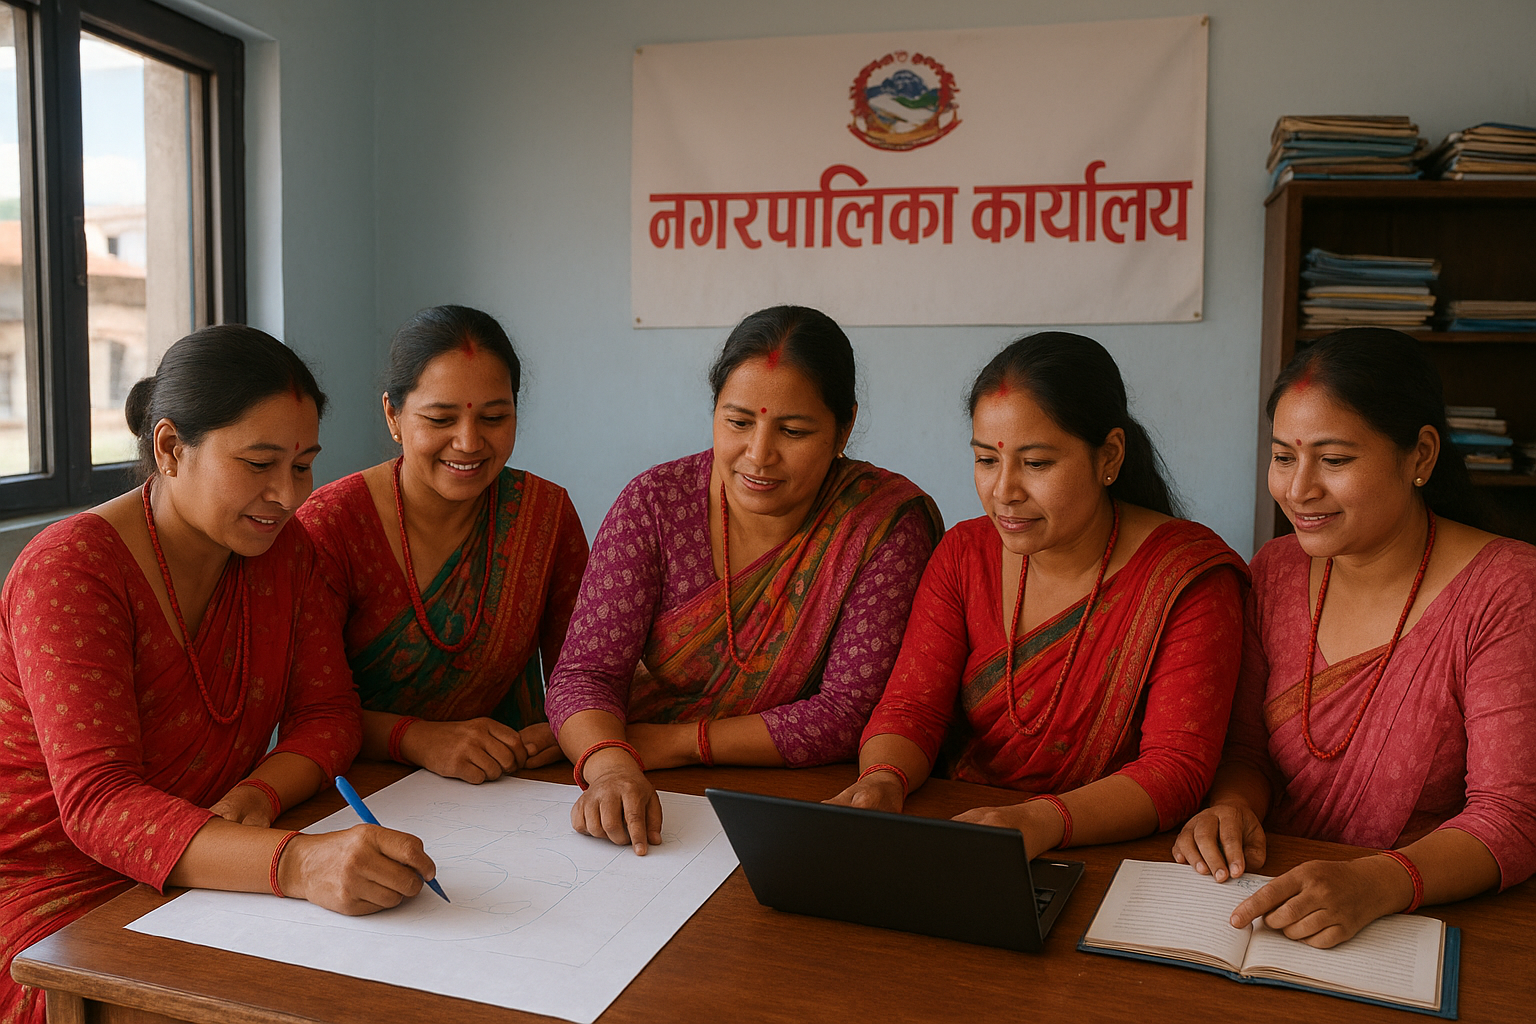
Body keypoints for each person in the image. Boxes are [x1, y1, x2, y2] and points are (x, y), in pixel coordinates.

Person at [0, 326, 439, 1024]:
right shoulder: (72, 571)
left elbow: (328, 715)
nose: (287, 495)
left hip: (215, 860)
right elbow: (99, 804)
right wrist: (300, 864)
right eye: (259, 463)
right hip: (59, 894)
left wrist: (261, 794)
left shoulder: (285, 554)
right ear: (171, 449)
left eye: (303, 466)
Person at [1173, 327, 1536, 948]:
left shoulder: (1508, 589)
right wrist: (1232, 808)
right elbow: (1248, 753)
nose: (1299, 489)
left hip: (1424, 918)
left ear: (1420, 456)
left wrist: (1376, 883)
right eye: (1283, 457)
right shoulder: (1277, 570)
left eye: (1335, 460)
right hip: (1271, 896)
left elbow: (1512, 818)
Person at [831, 332, 1246, 862]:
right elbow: (911, 708)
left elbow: (1175, 769)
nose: (1004, 491)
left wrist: (1039, 821)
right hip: (964, 833)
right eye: (987, 460)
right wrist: (883, 779)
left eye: (1037, 464)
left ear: (1109, 456)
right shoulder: (964, 553)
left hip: (1110, 851)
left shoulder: (1185, 577)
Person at [547, 305, 942, 853]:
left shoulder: (880, 525)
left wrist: (674, 744)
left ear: (844, 427)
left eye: (794, 430)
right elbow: (585, 674)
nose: (759, 455)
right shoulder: (655, 503)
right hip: (644, 785)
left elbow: (848, 712)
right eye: (737, 423)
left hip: (803, 799)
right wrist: (610, 764)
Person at [298, 306, 588, 784]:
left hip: (516, 785)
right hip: (361, 791)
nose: (469, 442)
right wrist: (418, 739)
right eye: (440, 418)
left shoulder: (545, 515)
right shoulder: (332, 525)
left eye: (494, 417)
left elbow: (583, 676)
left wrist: (566, 727)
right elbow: (308, 710)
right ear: (393, 415)